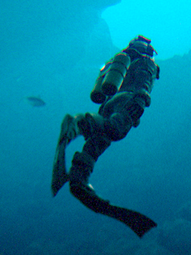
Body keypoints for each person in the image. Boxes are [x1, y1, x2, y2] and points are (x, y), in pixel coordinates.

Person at [51, 35, 160, 237]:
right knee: (116, 130)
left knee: (99, 141)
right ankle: (78, 122)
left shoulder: (119, 63)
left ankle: (79, 177)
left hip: (107, 106)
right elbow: (144, 83)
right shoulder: (147, 62)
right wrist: (141, 101)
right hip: (126, 100)